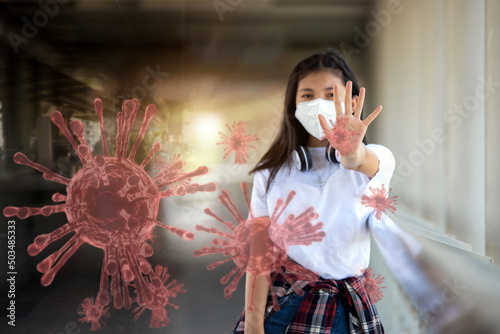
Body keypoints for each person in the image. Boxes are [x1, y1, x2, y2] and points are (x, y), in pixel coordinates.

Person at [232, 50, 393, 334]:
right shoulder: (269, 173)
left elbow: (355, 160)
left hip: (348, 309)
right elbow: (260, 254)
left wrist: (351, 150)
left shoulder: (377, 159)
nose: (319, 103)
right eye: (307, 95)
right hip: (284, 309)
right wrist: (254, 324)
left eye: (331, 95)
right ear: (292, 105)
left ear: (352, 102)